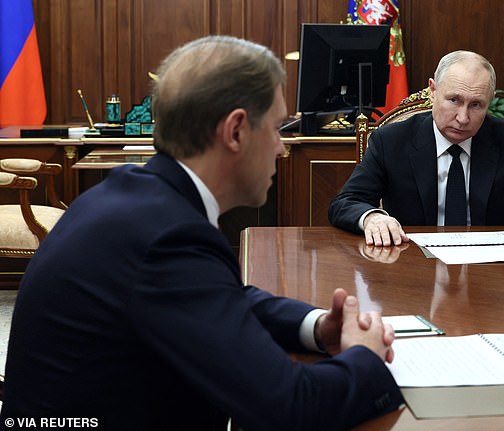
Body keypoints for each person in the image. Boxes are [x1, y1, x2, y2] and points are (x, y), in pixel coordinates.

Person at [0, 36, 403, 431]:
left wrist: (315, 326)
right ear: (236, 131)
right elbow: (289, 406)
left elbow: (218, 295)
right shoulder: (167, 235)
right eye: (278, 128)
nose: (282, 148)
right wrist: (365, 357)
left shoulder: (136, 195)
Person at [329, 50, 504, 246]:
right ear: (432, 91)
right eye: (454, 100)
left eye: (476, 105)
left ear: (489, 103)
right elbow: (346, 202)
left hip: (490, 275)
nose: (462, 117)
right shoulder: (391, 140)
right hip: (412, 267)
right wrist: (372, 217)